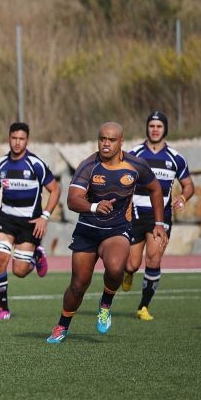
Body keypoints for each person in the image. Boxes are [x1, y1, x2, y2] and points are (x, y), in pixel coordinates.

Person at [46, 122, 167, 344]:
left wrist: (159, 223)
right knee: (78, 284)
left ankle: (105, 303)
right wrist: (93, 206)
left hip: (117, 229)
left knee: (115, 267)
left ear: (121, 142)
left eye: (111, 140)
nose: (106, 144)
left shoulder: (136, 165)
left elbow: (155, 188)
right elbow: (72, 199)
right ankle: (62, 326)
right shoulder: (88, 165)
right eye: (102, 139)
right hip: (88, 230)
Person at [0, 122, 61, 321]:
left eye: (21, 139)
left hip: (29, 222)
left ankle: (35, 257)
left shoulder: (36, 164)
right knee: (0, 259)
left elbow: (55, 189)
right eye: (14, 138)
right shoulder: (0, 165)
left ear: (27, 140)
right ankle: (3, 309)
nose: (17, 142)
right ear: (9, 138)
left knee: (19, 271)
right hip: (6, 219)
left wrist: (45, 217)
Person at [122, 111, 195, 321]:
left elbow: (188, 185)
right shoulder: (134, 154)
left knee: (153, 259)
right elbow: (122, 179)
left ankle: (143, 306)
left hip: (160, 217)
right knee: (132, 264)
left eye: (159, 126)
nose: (155, 129)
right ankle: (128, 273)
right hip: (135, 213)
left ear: (165, 130)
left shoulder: (175, 158)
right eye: (152, 125)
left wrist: (182, 197)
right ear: (147, 128)